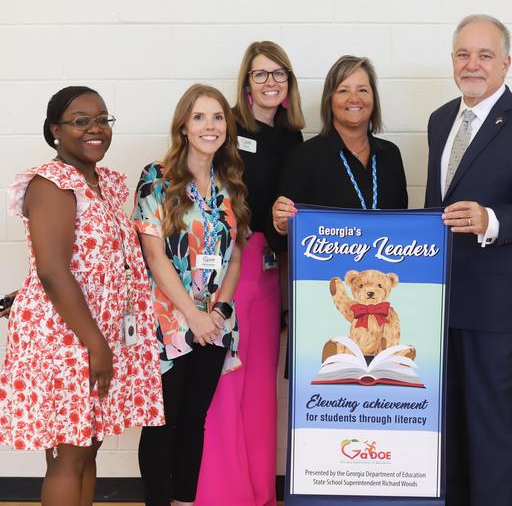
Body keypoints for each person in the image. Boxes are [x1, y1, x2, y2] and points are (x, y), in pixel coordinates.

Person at [0, 86, 164, 506]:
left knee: (88, 446)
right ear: (55, 130)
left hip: (95, 327)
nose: (95, 129)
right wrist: (97, 346)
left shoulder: (100, 182)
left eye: (103, 119)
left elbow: (90, 258)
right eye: (81, 120)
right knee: (68, 455)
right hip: (72, 336)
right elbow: (53, 271)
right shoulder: (52, 182)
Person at [424, 15, 512, 506]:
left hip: (500, 307)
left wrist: (491, 220)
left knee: (495, 427)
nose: (473, 65)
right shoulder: (441, 120)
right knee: (453, 424)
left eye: (485, 55)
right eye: (463, 54)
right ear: (452, 62)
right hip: (444, 303)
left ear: (505, 63)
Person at [196, 41, 304, 506]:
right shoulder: (226, 130)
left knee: (260, 388)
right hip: (231, 266)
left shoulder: (295, 138)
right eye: (260, 74)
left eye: (279, 74)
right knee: (226, 380)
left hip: (271, 268)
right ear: (245, 84)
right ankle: (222, 493)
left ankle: (260, 492)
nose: (270, 82)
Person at [133, 84, 250, 506]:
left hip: (215, 323)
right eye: (199, 117)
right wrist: (192, 316)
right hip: (168, 321)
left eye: (217, 117)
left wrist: (216, 311)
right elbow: (154, 256)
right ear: (183, 125)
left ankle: (184, 501)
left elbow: (236, 258)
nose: (209, 126)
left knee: (194, 421)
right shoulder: (156, 178)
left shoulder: (231, 183)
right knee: (163, 422)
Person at [271, 54, 408, 236]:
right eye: (343, 90)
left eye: (362, 90)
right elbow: (280, 237)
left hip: (383, 264)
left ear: (373, 99)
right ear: (329, 100)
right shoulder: (304, 157)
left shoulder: (391, 155)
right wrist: (281, 225)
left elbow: (403, 226)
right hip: (325, 265)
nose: (354, 98)